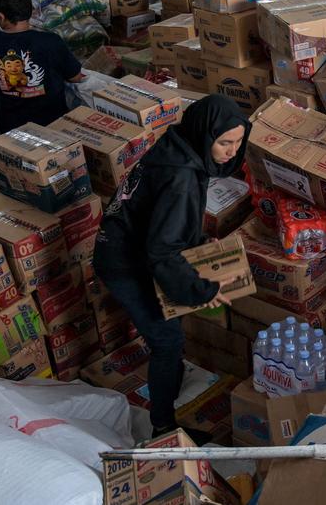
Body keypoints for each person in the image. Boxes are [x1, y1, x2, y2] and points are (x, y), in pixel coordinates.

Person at [93, 95, 250, 438]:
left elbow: (164, 223)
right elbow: (161, 252)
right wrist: (201, 289)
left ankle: (170, 381)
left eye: (238, 142)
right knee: (167, 340)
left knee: (169, 321)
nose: (232, 151)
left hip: (129, 244)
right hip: (123, 261)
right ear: (205, 136)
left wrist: (194, 250)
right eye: (224, 142)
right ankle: (163, 426)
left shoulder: (178, 146)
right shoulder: (180, 177)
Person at [0, 0, 83, 134]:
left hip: (14, 135)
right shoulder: (51, 41)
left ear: (0, 16)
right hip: (57, 130)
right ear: (31, 11)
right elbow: (76, 77)